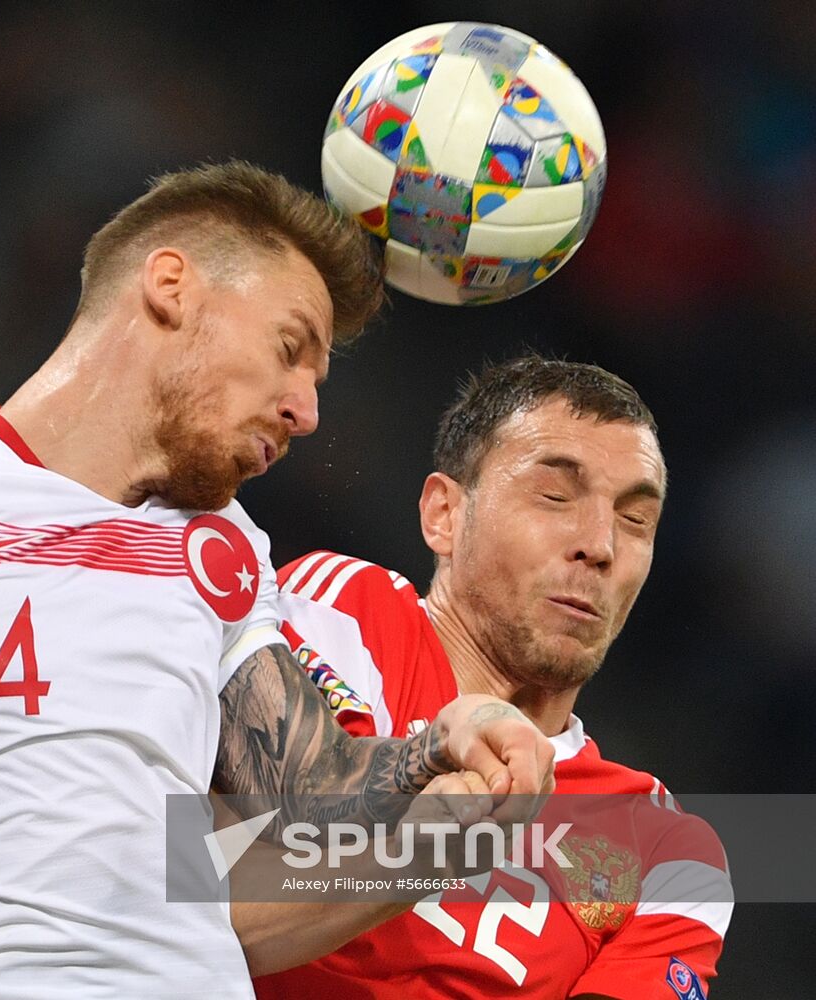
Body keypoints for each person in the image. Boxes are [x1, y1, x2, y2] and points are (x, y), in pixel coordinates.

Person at [0, 162, 555, 999]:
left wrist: (447, 741)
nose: (306, 412)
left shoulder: (218, 545)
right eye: (289, 351)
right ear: (170, 287)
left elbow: (306, 793)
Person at [252, 354, 734, 999]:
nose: (600, 545)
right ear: (444, 515)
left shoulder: (666, 850)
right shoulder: (346, 610)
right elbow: (222, 879)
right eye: (555, 497)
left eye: (635, 521)